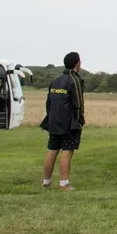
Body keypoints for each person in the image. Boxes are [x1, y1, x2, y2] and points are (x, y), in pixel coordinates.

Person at [42, 51, 86, 191]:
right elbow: (78, 103)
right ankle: (64, 183)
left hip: (54, 121)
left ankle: (46, 181)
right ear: (77, 63)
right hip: (69, 122)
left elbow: (48, 102)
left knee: (52, 149)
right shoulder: (75, 80)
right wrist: (80, 121)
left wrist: (50, 118)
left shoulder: (56, 80)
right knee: (67, 151)